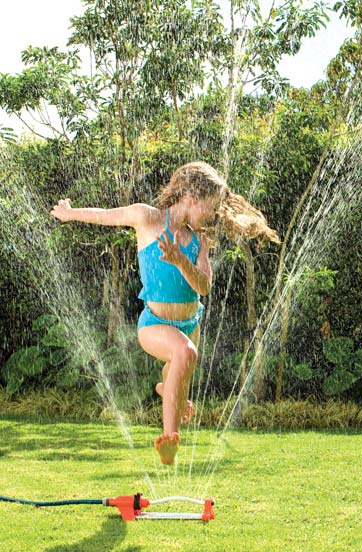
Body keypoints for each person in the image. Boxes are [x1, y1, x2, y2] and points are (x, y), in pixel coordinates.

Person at [50, 161, 280, 465]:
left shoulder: (200, 240)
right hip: (155, 324)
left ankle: (168, 387)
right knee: (185, 354)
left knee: (182, 360)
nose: (212, 215)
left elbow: (204, 286)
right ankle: (169, 440)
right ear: (192, 197)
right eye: (210, 207)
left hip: (189, 323)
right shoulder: (148, 218)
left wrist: (179, 261)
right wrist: (69, 213)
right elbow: (105, 216)